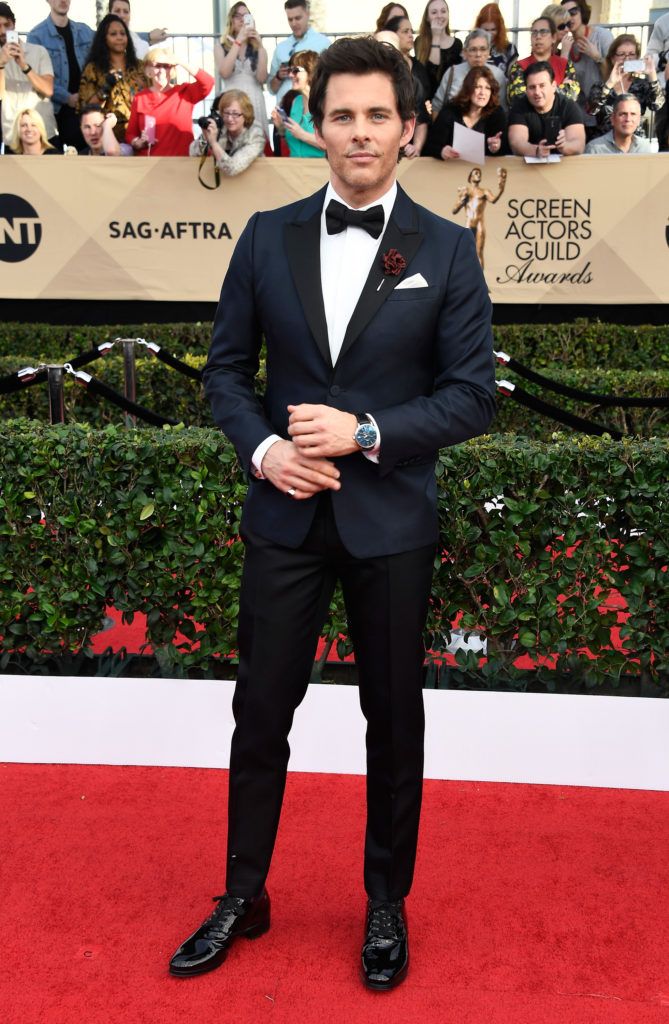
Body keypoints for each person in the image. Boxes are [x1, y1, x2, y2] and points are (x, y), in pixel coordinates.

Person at [169, 33, 495, 993]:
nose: (358, 132)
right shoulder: (265, 234)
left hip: (390, 520)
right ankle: (243, 892)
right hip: (282, 519)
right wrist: (267, 452)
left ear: (409, 128)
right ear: (314, 126)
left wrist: (362, 433)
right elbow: (226, 375)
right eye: (340, 115)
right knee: (258, 711)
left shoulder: (444, 248)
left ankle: (385, 903)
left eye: (377, 116)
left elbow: (471, 395)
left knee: (392, 719)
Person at [27, 0, 94, 151]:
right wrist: (67, 98)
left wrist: (149, 37)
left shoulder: (85, 31)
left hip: (84, 108)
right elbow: (35, 77)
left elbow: (113, 36)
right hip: (54, 111)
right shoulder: (36, 36)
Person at [125, 48, 214, 156]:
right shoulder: (140, 98)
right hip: (149, 163)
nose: (162, 70)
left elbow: (208, 82)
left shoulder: (184, 92)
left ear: (172, 70)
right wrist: (136, 142)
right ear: (148, 70)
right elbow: (131, 133)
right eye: (157, 65)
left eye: (166, 66)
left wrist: (181, 61)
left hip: (181, 163)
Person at [78, 14, 148, 143]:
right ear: (104, 39)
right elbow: (86, 108)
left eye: (123, 33)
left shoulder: (140, 67)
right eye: (113, 34)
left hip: (139, 136)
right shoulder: (93, 69)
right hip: (106, 138)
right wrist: (106, 88)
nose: (119, 37)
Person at [0, 2, 56, 148]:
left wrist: (24, 66)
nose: (3, 31)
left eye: (7, 25)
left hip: (44, 132)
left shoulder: (38, 51)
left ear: (14, 24)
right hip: (13, 134)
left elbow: (48, 90)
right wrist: (1, 63)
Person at [424, 65, 506, 159]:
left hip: (483, 171)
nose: (482, 93)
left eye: (487, 88)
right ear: (468, 89)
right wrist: (441, 151)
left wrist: (496, 147)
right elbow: (430, 146)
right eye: (478, 87)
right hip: (451, 169)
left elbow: (506, 150)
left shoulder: (496, 113)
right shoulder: (451, 110)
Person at [588, 36, 664, 137]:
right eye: (621, 54)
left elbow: (657, 105)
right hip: (606, 141)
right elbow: (592, 110)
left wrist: (652, 75)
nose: (627, 58)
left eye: (632, 54)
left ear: (637, 58)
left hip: (635, 142)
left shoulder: (642, 84)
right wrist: (610, 83)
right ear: (612, 59)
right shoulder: (600, 86)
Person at [508, 59, 585, 157]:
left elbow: (579, 144)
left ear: (553, 86)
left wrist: (565, 146)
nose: (537, 92)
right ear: (526, 90)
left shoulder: (568, 106)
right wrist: (536, 151)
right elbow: (517, 143)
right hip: (528, 167)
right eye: (532, 87)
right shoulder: (519, 107)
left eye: (542, 86)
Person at [214, 3, 269, 139]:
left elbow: (262, 78)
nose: (242, 20)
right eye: (237, 16)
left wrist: (261, 47)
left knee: (256, 141)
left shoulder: (258, 48)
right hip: (231, 99)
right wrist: (238, 42)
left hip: (254, 99)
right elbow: (224, 73)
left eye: (246, 16)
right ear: (231, 20)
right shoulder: (220, 47)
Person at [559, 0, 612, 137]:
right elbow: (560, 83)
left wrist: (597, 57)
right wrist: (563, 54)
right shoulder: (565, 43)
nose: (569, 18)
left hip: (603, 111)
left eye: (573, 12)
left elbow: (612, 77)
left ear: (582, 12)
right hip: (578, 116)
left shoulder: (602, 36)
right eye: (565, 14)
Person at [385, 14, 431, 156]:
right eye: (405, 31)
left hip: (407, 152)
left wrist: (416, 146)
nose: (411, 35)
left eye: (412, 31)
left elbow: (421, 117)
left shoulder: (417, 74)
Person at [268, 1, 329, 106]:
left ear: (308, 14)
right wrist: (278, 76)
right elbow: (271, 89)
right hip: (284, 113)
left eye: (298, 18)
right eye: (290, 19)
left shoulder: (323, 43)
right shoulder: (281, 48)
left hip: (312, 111)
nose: (294, 23)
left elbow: (329, 81)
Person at [432, 29, 507, 115]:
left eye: (483, 49)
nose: (478, 54)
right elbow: (437, 106)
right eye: (473, 49)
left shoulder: (497, 75)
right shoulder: (453, 72)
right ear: (465, 52)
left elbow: (502, 109)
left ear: (489, 52)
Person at [190, 89, 264, 175]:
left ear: (246, 114)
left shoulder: (255, 134)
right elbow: (193, 152)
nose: (229, 118)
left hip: (254, 182)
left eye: (235, 114)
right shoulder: (220, 127)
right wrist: (205, 137)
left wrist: (213, 143)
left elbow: (232, 168)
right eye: (226, 113)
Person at [507, 16, 579, 103]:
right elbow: (519, 98)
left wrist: (534, 94)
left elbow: (573, 94)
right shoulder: (519, 66)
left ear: (553, 38)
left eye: (543, 32)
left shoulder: (565, 64)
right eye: (534, 33)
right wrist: (560, 89)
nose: (538, 37)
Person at [270, 49, 324, 157]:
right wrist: (281, 128)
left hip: (320, 170)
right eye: (290, 71)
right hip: (295, 169)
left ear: (311, 71)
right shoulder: (296, 101)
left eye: (295, 71)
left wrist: (302, 135)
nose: (290, 75)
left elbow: (334, 145)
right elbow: (293, 142)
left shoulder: (326, 104)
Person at [451, 165, 507, 268]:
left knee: (479, 252)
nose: (478, 175)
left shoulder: (485, 191)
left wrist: (501, 189)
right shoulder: (465, 191)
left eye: (479, 173)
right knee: (466, 253)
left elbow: (494, 200)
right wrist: (461, 200)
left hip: (479, 224)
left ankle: (480, 282)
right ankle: (466, 279)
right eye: (476, 173)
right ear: (470, 177)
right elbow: (454, 210)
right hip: (469, 224)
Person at [414, 0, 462, 99]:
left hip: (449, 101)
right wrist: (436, 37)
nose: (439, 16)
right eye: (434, 12)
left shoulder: (457, 44)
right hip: (427, 100)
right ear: (427, 17)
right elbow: (432, 75)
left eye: (443, 11)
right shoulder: (420, 42)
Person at [585, 92, 652, 154]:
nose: (628, 119)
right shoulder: (595, 149)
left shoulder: (645, 149)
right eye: (623, 114)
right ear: (612, 119)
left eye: (633, 114)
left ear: (639, 120)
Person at [474, 3, 517, 75]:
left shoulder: (509, 48)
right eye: (486, 30)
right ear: (478, 28)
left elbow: (513, 76)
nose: (489, 34)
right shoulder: (471, 46)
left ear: (500, 29)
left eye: (493, 29)